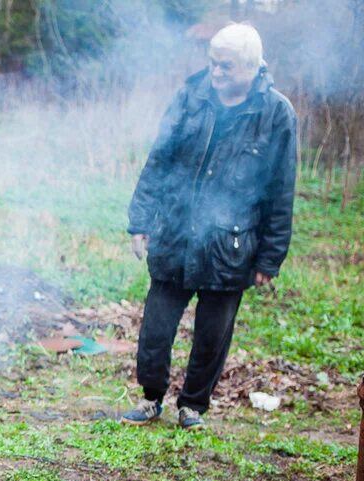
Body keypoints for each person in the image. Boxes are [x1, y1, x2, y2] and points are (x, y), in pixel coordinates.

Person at [122, 23, 296, 430]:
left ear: (252, 66)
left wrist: (270, 259)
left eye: (226, 66)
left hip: (229, 248)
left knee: (212, 337)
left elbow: (281, 189)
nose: (215, 73)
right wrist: (140, 222)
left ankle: (193, 406)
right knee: (155, 330)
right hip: (175, 236)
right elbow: (159, 160)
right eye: (213, 63)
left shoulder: (275, 114)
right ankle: (151, 398)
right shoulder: (190, 97)